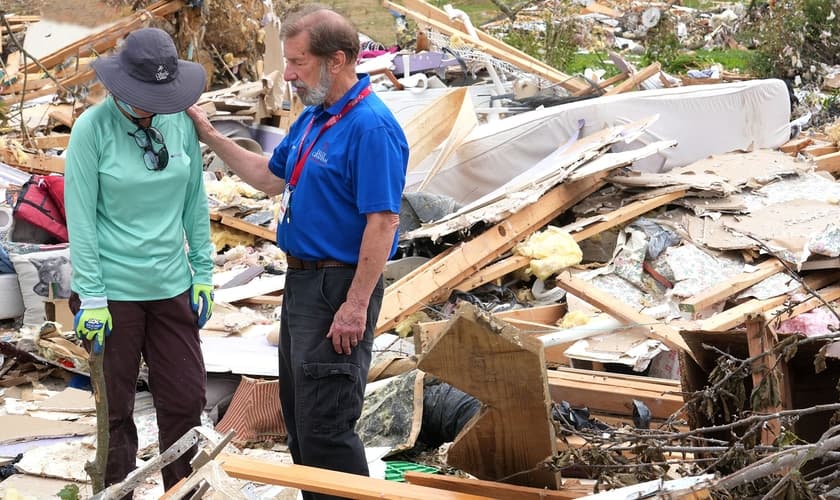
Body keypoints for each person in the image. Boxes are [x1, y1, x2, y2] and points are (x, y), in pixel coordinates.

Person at [187, 4, 407, 498]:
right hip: (304, 283)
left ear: (339, 59)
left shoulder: (370, 127)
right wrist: (212, 137)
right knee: (302, 419)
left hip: (339, 286)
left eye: (298, 62)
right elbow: (269, 176)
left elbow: (383, 221)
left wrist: (354, 306)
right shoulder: (315, 117)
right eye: (287, 61)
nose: (287, 74)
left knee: (327, 423)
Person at [64, 27, 214, 494]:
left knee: (186, 402)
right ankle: (116, 491)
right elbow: (81, 219)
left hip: (171, 286)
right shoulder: (92, 130)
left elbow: (194, 200)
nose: (153, 103)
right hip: (112, 296)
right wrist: (91, 296)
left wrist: (204, 272)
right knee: (116, 412)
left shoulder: (180, 123)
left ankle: (182, 490)